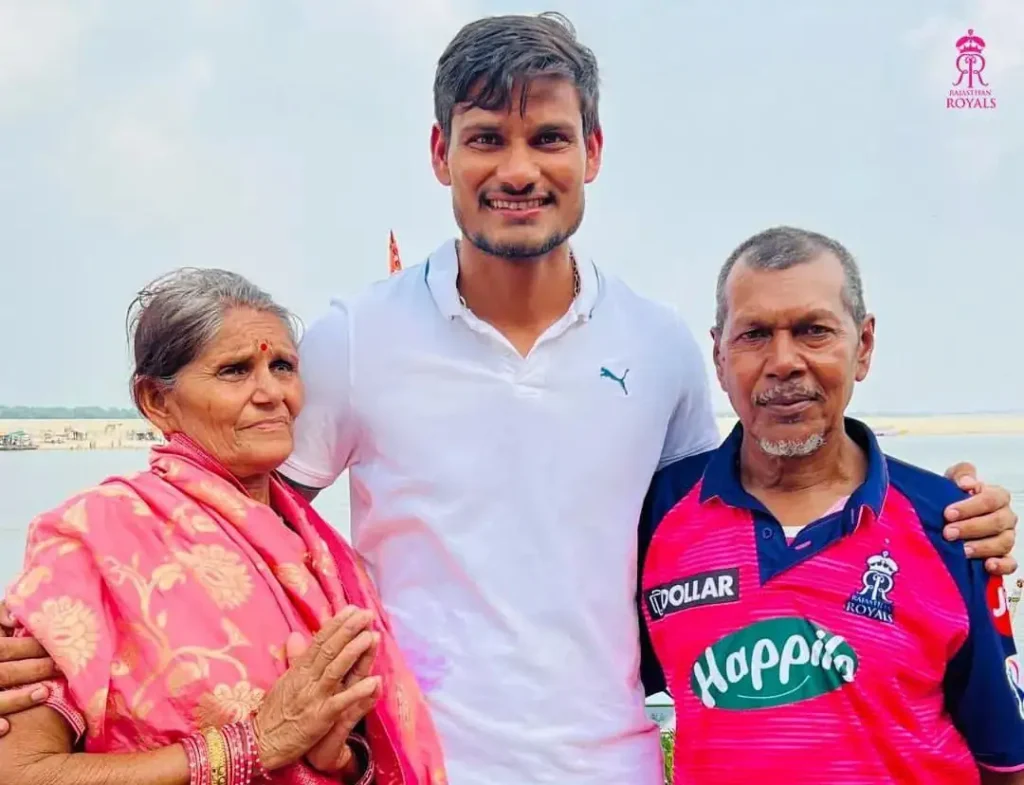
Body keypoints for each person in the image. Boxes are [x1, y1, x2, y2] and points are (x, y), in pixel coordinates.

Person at [0, 12, 1018, 785]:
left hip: (616, 757)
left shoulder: (661, 346)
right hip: (416, 759)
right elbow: (234, 521)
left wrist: (945, 515)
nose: (518, 168)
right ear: (441, 153)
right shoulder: (356, 336)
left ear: (593, 154)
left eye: (548, 137)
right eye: (486, 137)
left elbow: (724, 531)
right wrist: (71, 611)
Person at [0, 269, 447, 785]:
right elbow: (22, 771)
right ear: (156, 401)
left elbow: (336, 747)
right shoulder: (92, 537)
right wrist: (251, 745)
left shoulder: (317, 551)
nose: (271, 393)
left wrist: (343, 761)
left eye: (283, 366)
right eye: (235, 370)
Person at [638, 227, 1024, 784]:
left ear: (863, 346)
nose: (784, 361)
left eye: (813, 331)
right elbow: (597, 685)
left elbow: (1005, 762)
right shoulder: (659, 513)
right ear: (719, 357)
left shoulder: (951, 525)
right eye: (754, 335)